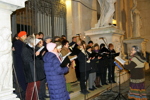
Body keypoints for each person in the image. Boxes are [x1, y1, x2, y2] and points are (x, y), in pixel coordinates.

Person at [22, 35, 45, 100]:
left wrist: (40, 55)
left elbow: (38, 58)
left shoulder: (34, 48)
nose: (36, 43)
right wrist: (35, 55)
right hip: (31, 71)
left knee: (37, 88)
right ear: (31, 42)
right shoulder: (25, 49)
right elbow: (27, 60)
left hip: (37, 70)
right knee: (31, 88)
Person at [13, 31, 27, 99]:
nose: (26, 37)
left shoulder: (23, 43)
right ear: (22, 36)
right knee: (21, 79)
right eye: (25, 36)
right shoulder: (18, 43)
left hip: (23, 63)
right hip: (20, 63)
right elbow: (19, 53)